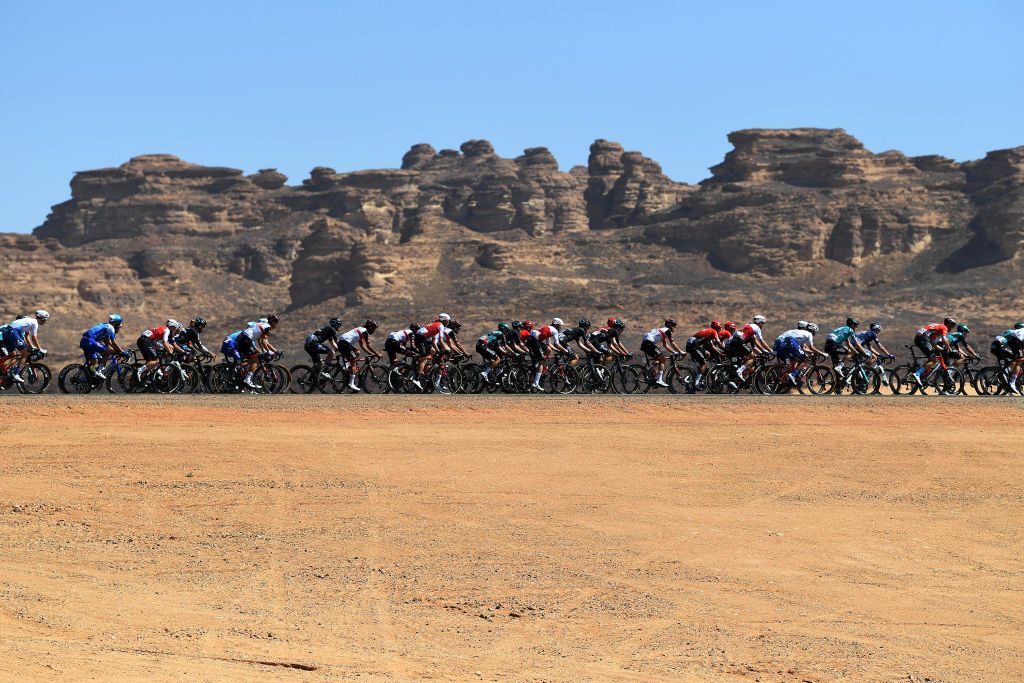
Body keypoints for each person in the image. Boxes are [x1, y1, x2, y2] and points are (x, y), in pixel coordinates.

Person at [1, 310, 49, 383]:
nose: (46, 322)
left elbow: (27, 337)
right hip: (13, 332)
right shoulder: (35, 323)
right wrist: (40, 349)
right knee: (25, 353)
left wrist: (32, 347)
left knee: (12, 355)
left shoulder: (29, 321)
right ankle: (16, 374)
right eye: (46, 320)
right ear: (42, 319)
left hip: (7, 332)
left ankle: (2, 367)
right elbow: (34, 338)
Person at [237, 314, 281, 389]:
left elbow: (260, 341)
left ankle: (238, 367)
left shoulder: (263, 325)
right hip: (246, 340)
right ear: (273, 322)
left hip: (242, 338)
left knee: (251, 360)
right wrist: (268, 351)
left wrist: (264, 350)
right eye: (276, 322)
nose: (277, 324)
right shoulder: (267, 327)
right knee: (256, 360)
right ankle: (248, 379)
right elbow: (264, 342)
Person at [724, 315, 772, 382]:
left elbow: (755, 345)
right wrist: (771, 351)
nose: (762, 326)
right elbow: (761, 341)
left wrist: (762, 352)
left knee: (746, 358)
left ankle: (737, 377)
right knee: (752, 357)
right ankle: (739, 371)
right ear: (759, 322)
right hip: (739, 341)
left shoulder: (749, 327)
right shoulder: (756, 328)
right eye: (762, 323)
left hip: (734, 342)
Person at [338, 320, 382, 391]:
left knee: (357, 352)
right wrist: (377, 354)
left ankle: (347, 367)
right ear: (370, 327)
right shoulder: (365, 331)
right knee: (353, 362)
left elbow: (362, 345)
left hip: (342, 342)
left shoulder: (361, 329)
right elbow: (368, 345)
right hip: (345, 343)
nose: (374, 331)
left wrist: (371, 354)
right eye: (374, 328)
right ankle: (351, 383)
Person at [912, 317, 956, 387]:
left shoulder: (937, 328)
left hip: (919, 338)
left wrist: (941, 349)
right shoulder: (944, 327)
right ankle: (917, 374)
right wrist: (949, 349)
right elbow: (944, 340)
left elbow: (932, 342)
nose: (953, 327)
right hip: (923, 338)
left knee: (931, 358)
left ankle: (920, 373)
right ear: (949, 324)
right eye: (953, 325)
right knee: (933, 360)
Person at [640, 319, 684, 387]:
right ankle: (659, 380)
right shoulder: (667, 331)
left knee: (659, 360)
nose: (675, 328)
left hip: (645, 343)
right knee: (662, 359)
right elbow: (672, 343)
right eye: (674, 326)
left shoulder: (662, 331)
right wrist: (680, 352)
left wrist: (674, 352)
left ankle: (650, 370)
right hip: (648, 343)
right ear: (670, 326)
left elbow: (665, 345)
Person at [80, 313, 125, 379]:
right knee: (108, 351)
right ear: (116, 324)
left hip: (85, 341)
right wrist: (123, 352)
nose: (119, 327)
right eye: (119, 325)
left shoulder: (105, 328)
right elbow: (114, 343)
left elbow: (108, 343)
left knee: (94, 360)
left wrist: (116, 350)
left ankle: (89, 375)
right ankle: (99, 371)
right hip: (90, 341)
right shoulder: (110, 327)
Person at [685, 321, 726, 390]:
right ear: (716, 328)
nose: (720, 330)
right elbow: (719, 344)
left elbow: (712, 346)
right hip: (694, 345)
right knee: (703, 364)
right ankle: (696, 382)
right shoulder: (714, 332)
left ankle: (698, 372)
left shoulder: (709, 332)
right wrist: (726, 351)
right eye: (719, 328)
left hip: (692, 343)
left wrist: (719, 353)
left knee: (707, 354)